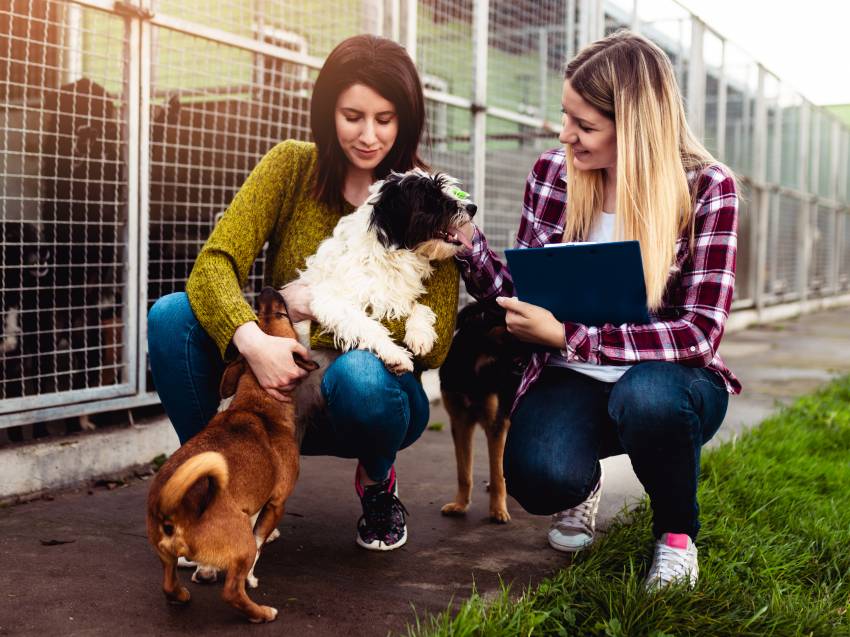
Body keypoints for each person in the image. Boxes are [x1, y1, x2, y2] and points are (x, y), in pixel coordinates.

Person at [147, 34, 460, 552]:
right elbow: (213, 265)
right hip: (275, 384)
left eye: (385, 119)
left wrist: (322, 307)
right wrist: (255, 342)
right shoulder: (292, 166)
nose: (367, 135)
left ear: (406, 119)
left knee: (360, 374)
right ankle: (212, 485)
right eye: (351, 115)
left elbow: (438, 338)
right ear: (327, 111)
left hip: (375, 396)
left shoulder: (426, 197)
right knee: (171, 316)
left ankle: (378, 483)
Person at [454, 30, 740, 590]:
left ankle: (676, 537)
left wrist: (568, 336)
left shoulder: (708, 187)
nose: (567, 136)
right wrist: (470, 248)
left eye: (585, 126)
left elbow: (700, 333)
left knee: (648, 398)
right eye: (567, 117)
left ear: (634, 128)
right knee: (537, 477)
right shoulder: (554, 173)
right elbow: (520, 289)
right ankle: (580, 483)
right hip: (571, 377)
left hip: (670, 383)